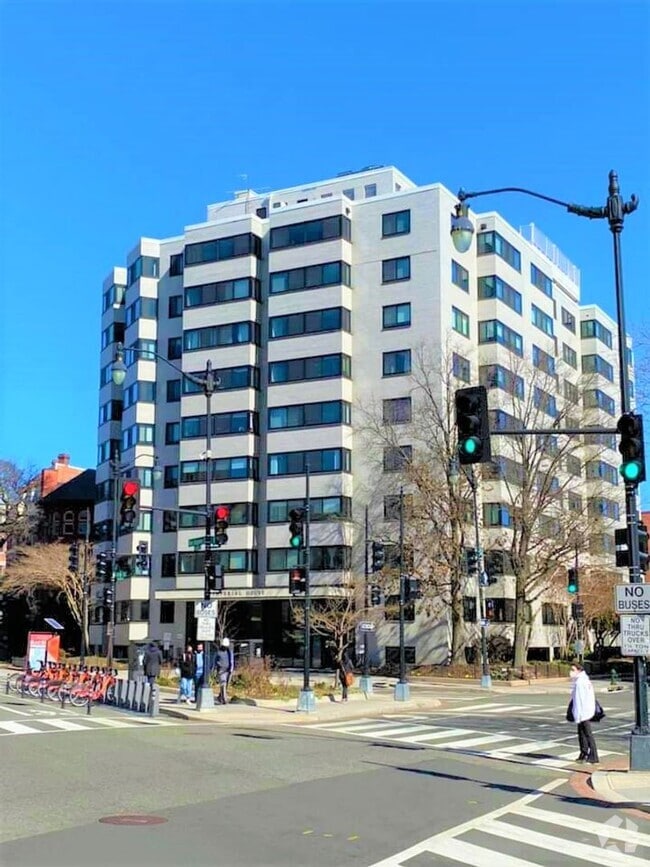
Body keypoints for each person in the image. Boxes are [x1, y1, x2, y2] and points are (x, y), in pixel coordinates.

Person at [569, 662, 600, 764]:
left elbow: (579, 700)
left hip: (583, 712)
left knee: (587, 734)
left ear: (579, 671)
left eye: (573, 670)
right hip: (585, 711)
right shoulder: (584, 680)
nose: (571, 672)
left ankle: (593, 756)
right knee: (582, 734)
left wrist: (578, 715)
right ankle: (583, 753)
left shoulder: (580, 683)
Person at [214, 638, 233, 705]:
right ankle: (224, 700)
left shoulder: (229, 652)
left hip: (228, 670)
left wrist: (231, 669)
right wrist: (215, 668)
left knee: (226, 685)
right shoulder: (218, 652)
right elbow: (215, 660)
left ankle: (220, 697)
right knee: (223, 684)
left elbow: (231, 660)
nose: (225, 647)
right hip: (221, 670)